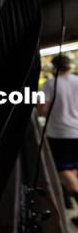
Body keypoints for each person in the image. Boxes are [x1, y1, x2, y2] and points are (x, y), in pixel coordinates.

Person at [38, 55, 78, 208]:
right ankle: (69, 200)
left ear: (54, 68)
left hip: (60, 134)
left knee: (62, 169)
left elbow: (42, 110)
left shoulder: (50, 84)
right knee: (73, 168)